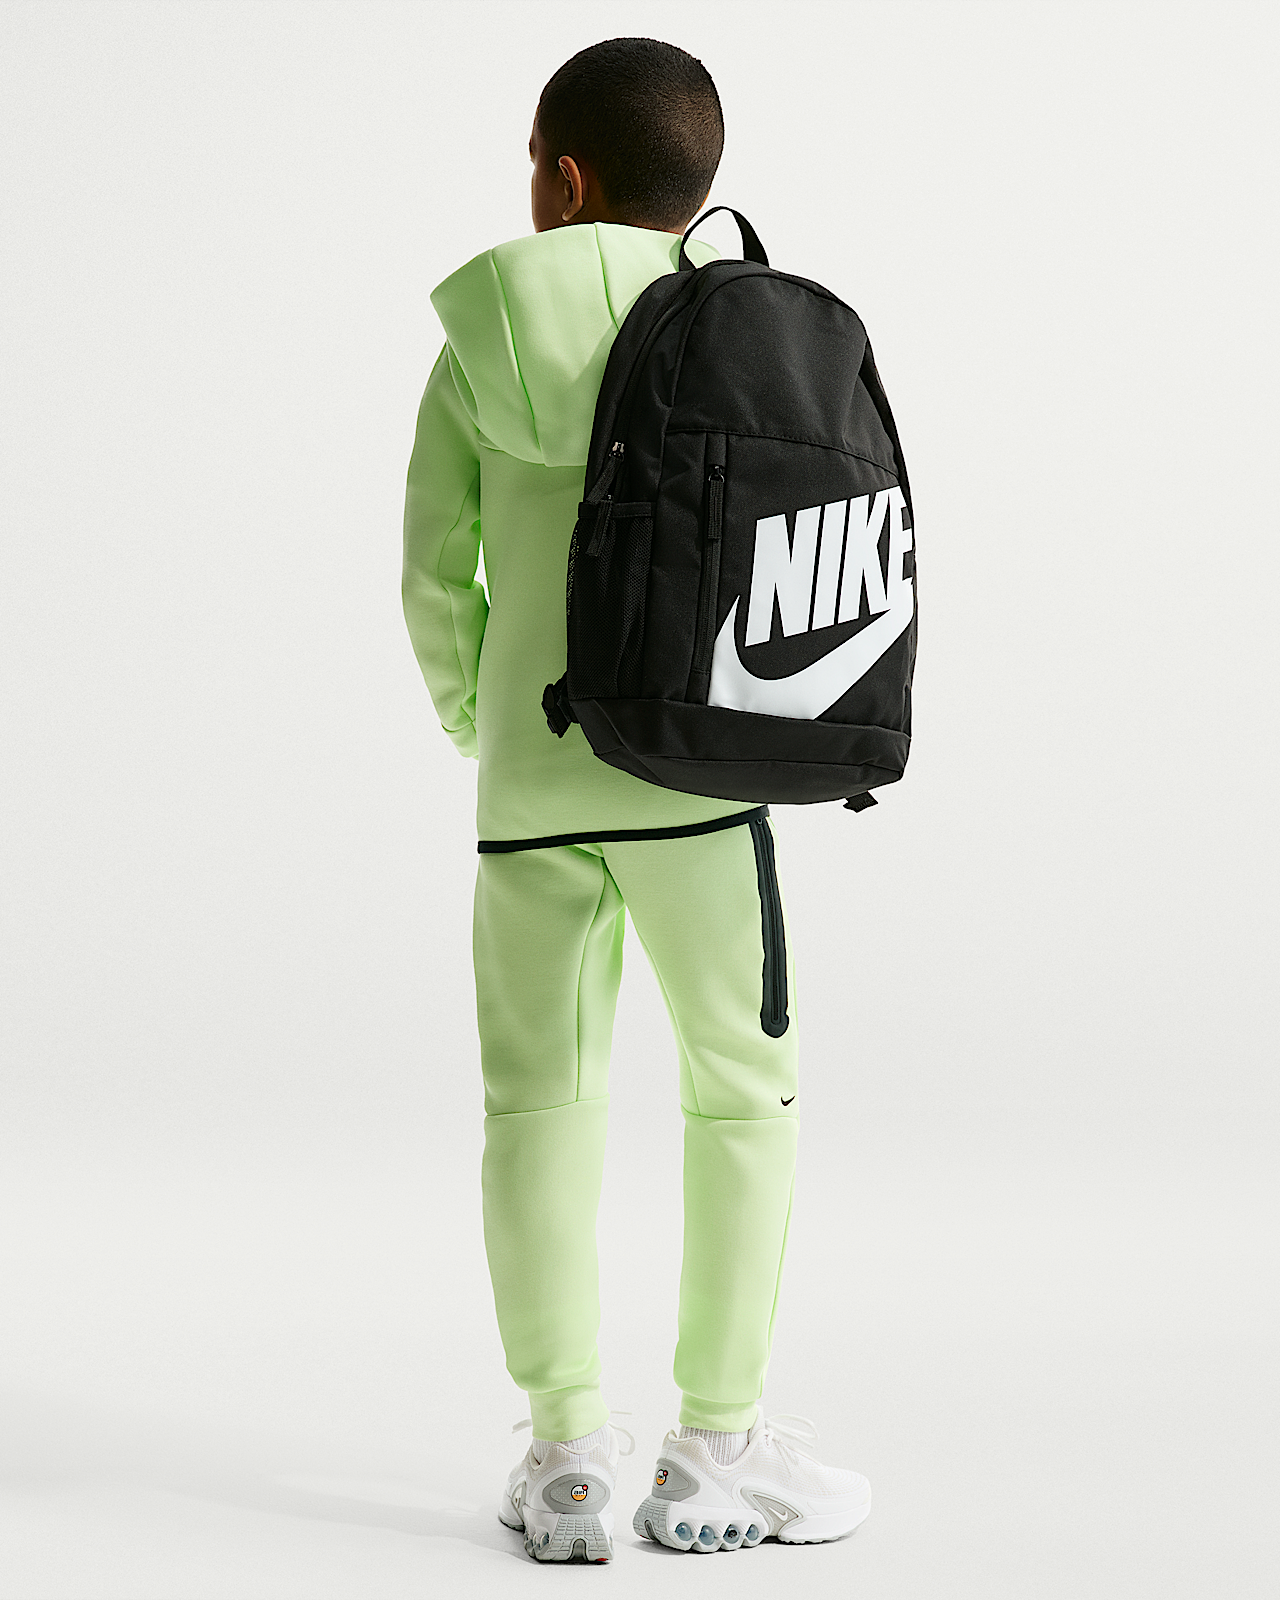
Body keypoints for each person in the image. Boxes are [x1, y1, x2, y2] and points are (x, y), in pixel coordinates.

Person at [402, 36, 870, 1563]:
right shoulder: (724, 324)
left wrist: (487, 726)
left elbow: (433, 578)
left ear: (562, 177)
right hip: (695, 779)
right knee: (742, 1097)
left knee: (537, 1108)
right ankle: (716, 1450)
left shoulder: (478, 339)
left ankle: (564, 1459)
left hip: (527, 800)